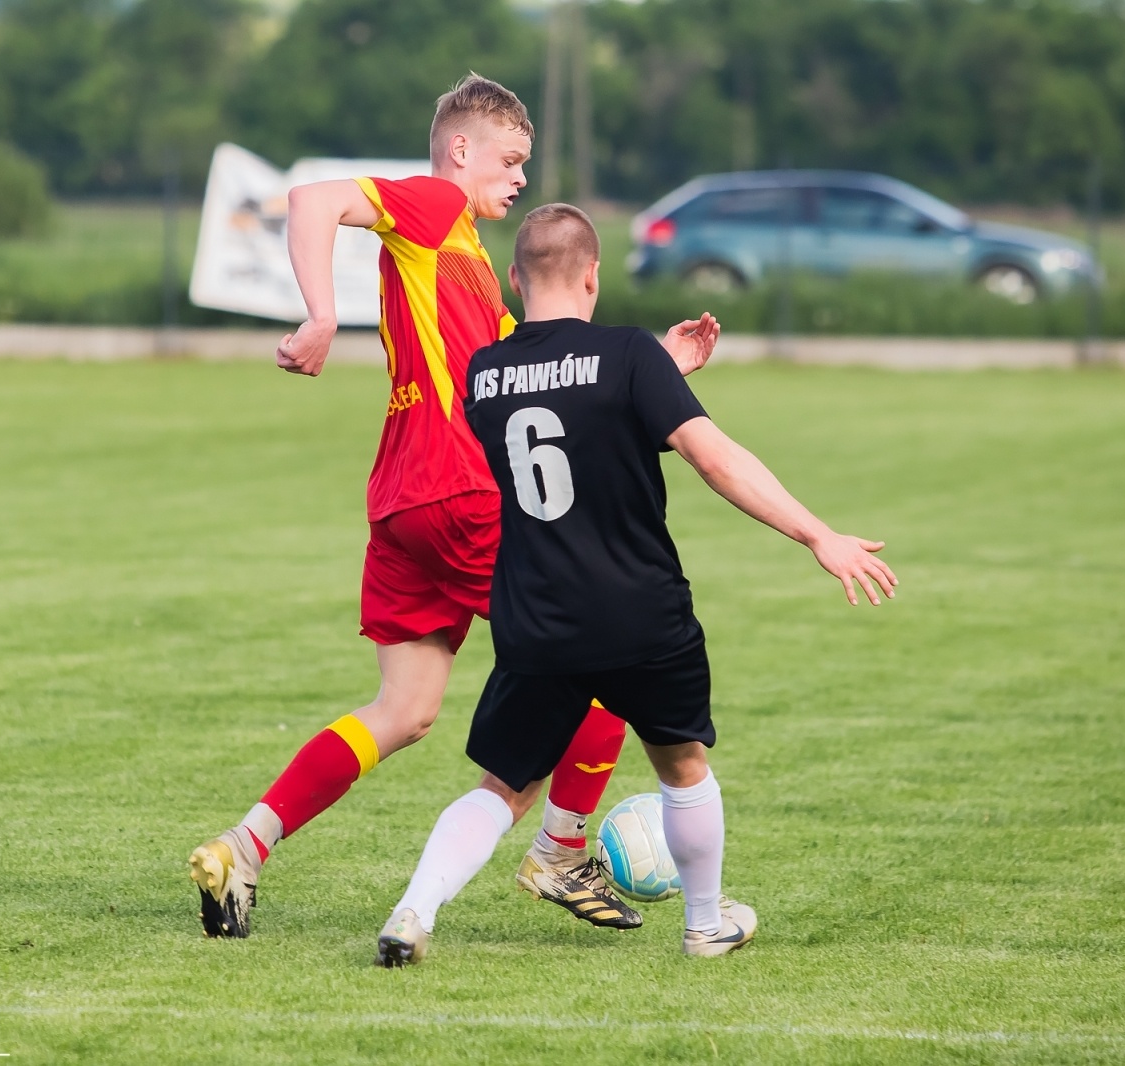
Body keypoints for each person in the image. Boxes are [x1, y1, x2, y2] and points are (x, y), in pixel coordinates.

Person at [188, 75, 721, 938]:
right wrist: (323, 314)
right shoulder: (437, 206)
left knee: (404, 710)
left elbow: (550, 382)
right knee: (607, 656)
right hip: (465, 491)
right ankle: (559, 849)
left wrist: (656, 365)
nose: (518, 179)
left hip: (401, 503)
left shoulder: (467, 260)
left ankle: (243, 846)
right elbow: (314, 198)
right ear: (462, 151)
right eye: (510, 160)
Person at [374, 204, 896, 966]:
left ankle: (412, 912)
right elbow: (714, 458)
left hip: (535, 619)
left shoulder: (483, 374)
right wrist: (818, 533)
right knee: (682, 765)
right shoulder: (627, 357)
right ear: (594, 275)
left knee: (503, 787)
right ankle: (706, 923)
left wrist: (652, 373)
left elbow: (558, 406)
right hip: (637, 613)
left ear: (515, 281)